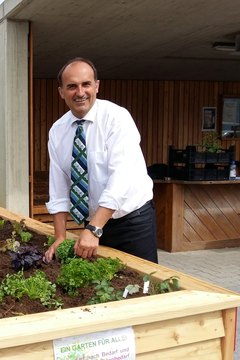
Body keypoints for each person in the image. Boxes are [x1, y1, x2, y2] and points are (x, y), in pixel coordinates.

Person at [43, 57, 158, 264]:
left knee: (143, 287)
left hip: (132, 222)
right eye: (71, 86)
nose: (80, 92)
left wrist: (94, 229)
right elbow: (58, 187)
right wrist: (60, 236)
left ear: (96, 86)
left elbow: (120, 180)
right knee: (101, 289)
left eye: (86, 84)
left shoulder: (117, 118)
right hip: (94, 223)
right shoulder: (57, 131)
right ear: (61, 92)